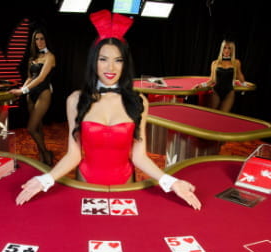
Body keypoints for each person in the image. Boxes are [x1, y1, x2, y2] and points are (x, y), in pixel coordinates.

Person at [15, 10, 201, 210]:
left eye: (118, 60)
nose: (110, 67)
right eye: (103, 59)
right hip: (85, 182)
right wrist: (44, 181)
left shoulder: (138, 102)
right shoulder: (76, 100)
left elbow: (140, 156)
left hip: (126, 184)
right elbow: (74, 154)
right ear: (93, 61)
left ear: (125, 63)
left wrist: (171, 182)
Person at [10, 28, 55, 165]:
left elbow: (41, 78)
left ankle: (46, 152)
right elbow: (30, 77)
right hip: (31, 94)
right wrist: (22, 89)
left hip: (43, 92)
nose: (39, 42)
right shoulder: (32, 58)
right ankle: (42, 155)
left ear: (46, 40)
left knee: (31, 128)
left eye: (42, 38)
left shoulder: (50, 57)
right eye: (37, 39)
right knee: (38, 128)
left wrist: (22, 91)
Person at [194, 40, 247, 112]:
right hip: (216, 92)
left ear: (232, 50)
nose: (226, 50)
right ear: (221, 49)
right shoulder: (215, 63)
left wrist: (244, 85)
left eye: (229, 48)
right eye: (225, 48)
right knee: (212, 114)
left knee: (223, 116)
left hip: (229, 92)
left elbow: (239, 75)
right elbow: (212, 80)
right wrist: (201, 85)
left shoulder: (236, 62)